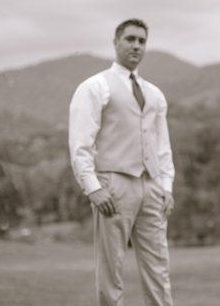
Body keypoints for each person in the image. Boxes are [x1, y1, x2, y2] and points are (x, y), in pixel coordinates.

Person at [69, 18, 175, 306]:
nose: (136, 46)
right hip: (113, 186)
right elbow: (81, 143)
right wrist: (92, 187)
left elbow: (161, 145)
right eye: (130, 39)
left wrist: (166, 186)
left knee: (159, 269)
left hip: (152, 186)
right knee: (111, 270)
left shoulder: (154, 94)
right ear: (116, 42)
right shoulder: (95, 87)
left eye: (142, 41)